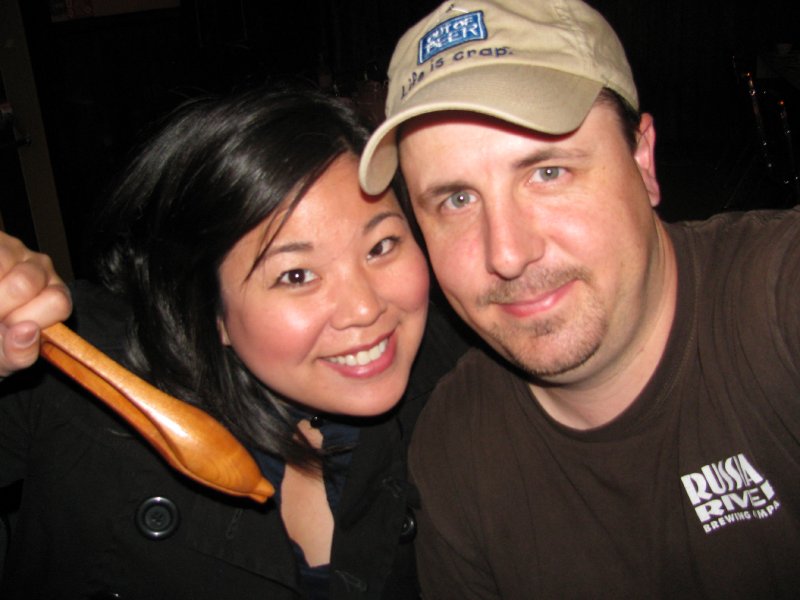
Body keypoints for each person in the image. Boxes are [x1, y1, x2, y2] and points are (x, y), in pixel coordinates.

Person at [357, 0, 800, 597]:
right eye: (457, 200)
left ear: (643, 161)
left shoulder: (779, 301)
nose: (507, 253)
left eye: (548, 173)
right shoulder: (456, 451)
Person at [0, 85, 468, 599]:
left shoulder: (469, 373)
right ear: (207, 310)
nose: (364, 308)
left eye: (381, 246)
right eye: (296, 275)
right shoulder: (74, 371)